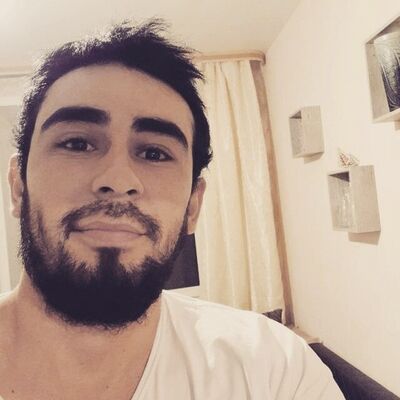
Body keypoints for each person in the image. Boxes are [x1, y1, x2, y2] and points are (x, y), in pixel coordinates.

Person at [0, 20, 344, 399]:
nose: (118, 179)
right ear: (18, 185)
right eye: (77, 144)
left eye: (154, 153)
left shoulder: (274, 369)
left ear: (193, 205)